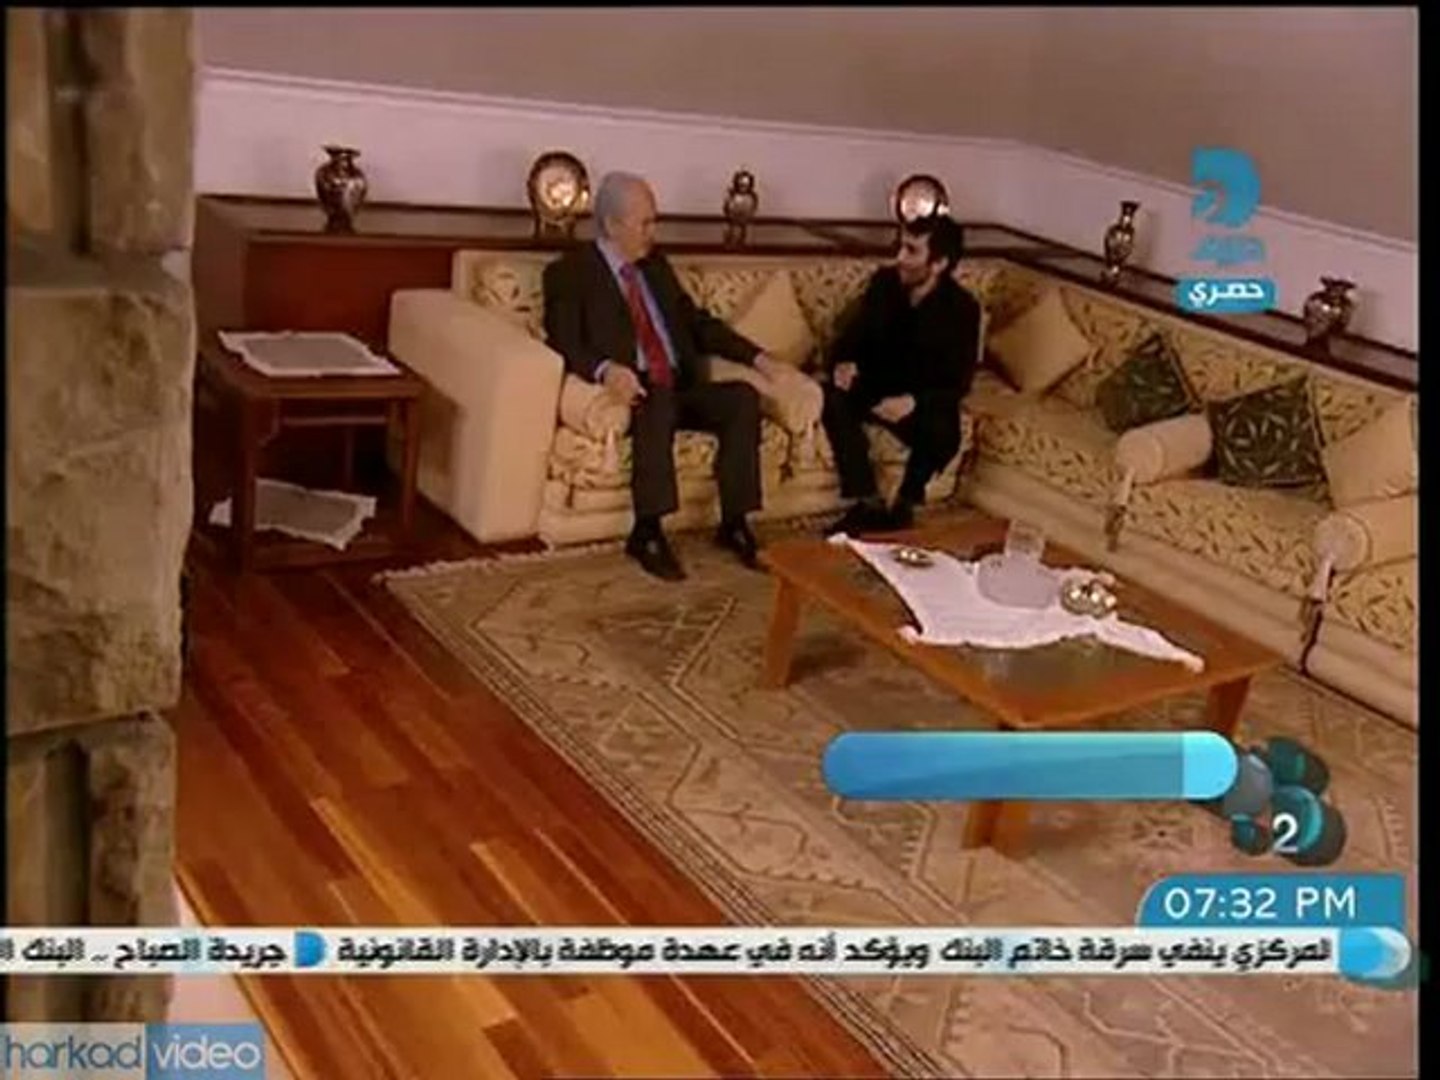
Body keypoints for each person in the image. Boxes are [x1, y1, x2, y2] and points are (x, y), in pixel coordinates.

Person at [543, 172, 789, 581]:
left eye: (654, 221)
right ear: (612, 225)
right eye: (645, 223)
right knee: (655, 402)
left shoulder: (655, 266)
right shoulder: (570, 272)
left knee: (741, 398)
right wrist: (606, 370)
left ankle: (735, 523)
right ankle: (648, 532)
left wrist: (756, 357)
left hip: (680, 384)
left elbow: (696, 323)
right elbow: (564, 340)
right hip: (636, 387)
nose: (652, 233)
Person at [820, 214, 981, 536]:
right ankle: (867, 502)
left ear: (939, 263)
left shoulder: (962, 309)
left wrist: (913, 401)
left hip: (918, 400)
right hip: (873, 387)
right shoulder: (884, 284)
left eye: (911, 251)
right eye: (901, 247)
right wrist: (843, 363)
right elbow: (848, 340)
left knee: (943, 427)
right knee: (831, 398)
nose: (900, 258)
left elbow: (958, 382)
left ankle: (904, 505)